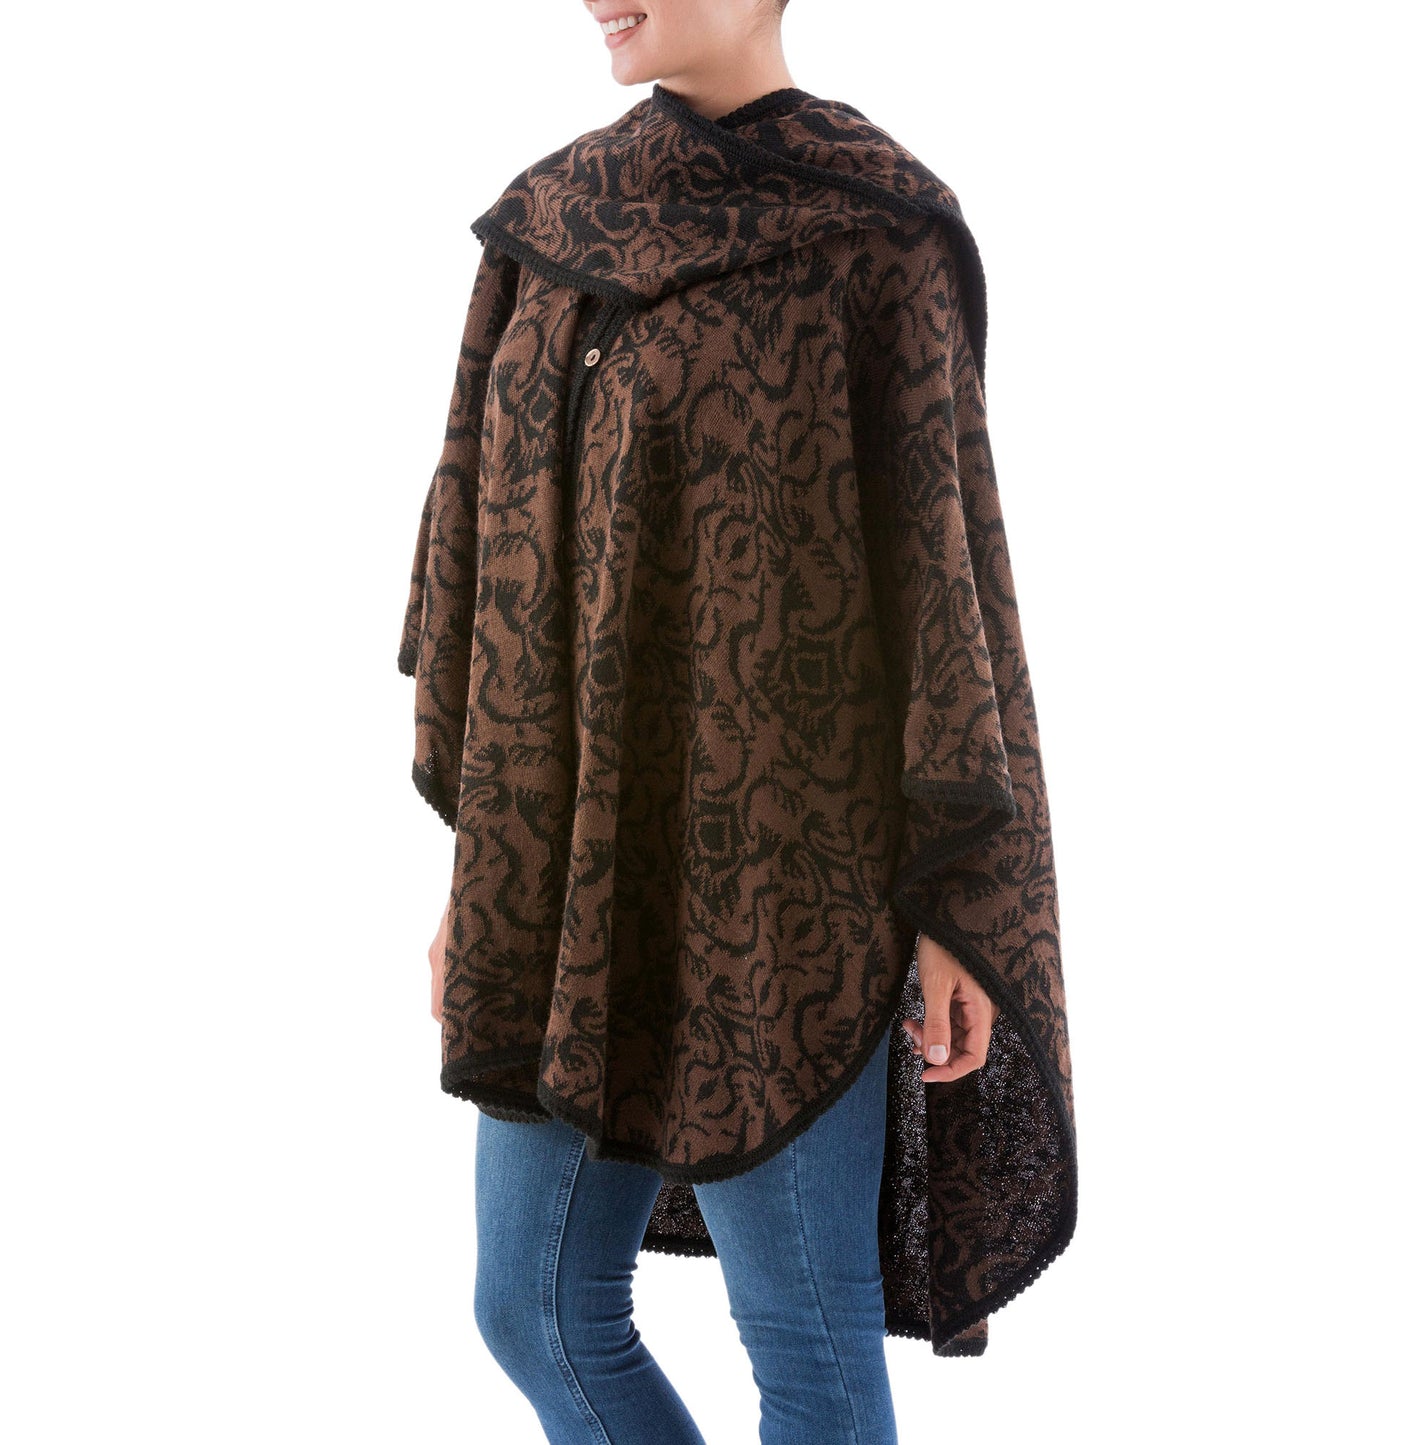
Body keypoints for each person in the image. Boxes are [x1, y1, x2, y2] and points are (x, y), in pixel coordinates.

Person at [398, 0, 1077, 1439]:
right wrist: (480, 874)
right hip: (562, 875)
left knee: (806, 1344)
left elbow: (940, 578)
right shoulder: (548, 225)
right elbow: (491, 572)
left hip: (782, 892)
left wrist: (953, 906)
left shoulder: (878, 236)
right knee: (532, 1307)